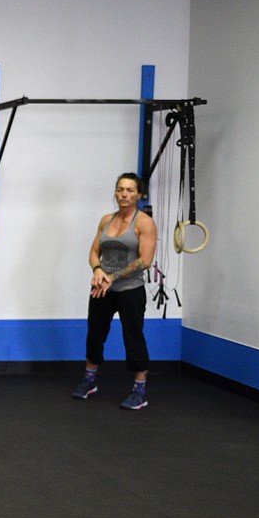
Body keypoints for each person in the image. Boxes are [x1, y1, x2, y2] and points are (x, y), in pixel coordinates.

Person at [72, 172, 158, 410]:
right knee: (95, 333)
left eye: (130, 190)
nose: (124, 194)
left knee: (133, 336)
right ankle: (89, 380)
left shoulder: (144, 223)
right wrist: (98, 270)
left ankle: (139, 390)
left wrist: (113, 276)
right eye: (120, 189)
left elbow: (145, 260)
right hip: (102, 289)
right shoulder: (106, 220)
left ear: (139, 194)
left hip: (130, 289)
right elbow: (93, 252)